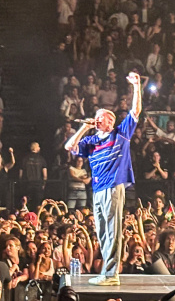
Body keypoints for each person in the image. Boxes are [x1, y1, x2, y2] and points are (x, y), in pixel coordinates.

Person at [64, 71, 142, 285]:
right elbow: (69, 147)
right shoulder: (91, 141)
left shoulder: (120, 134)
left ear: (110, 121)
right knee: (102, 232)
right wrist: (84, 127)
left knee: (113, 230)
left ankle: (111, 274)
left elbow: (136, 111)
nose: (97, 120)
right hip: (97, 189)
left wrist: (136, 86)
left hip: (113, 186)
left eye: (101, 118)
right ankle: (107, 273)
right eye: (96, 117)